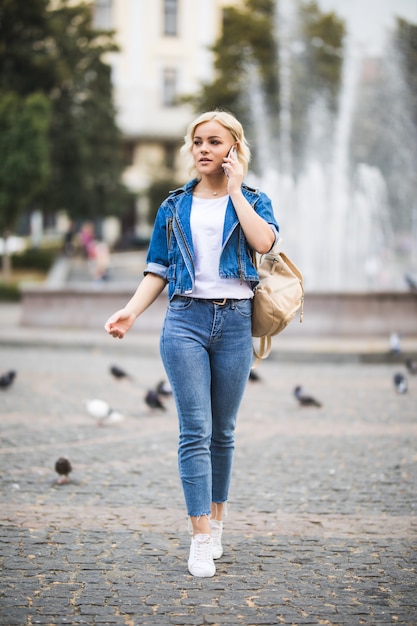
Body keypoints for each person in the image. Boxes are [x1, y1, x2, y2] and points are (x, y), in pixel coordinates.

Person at [104, 110, 279, 577]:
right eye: (197, 141)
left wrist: (237, 190)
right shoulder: (173, 205)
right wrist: (132, 311)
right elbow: (158, 268)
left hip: (236, 321)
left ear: (233, 149)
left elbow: (263, 243)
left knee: (224, 431)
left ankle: (218, 523)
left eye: (215, 142)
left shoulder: (255, 200)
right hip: (184, 321)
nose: (203, 149)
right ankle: (200, 536)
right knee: (195, 429)